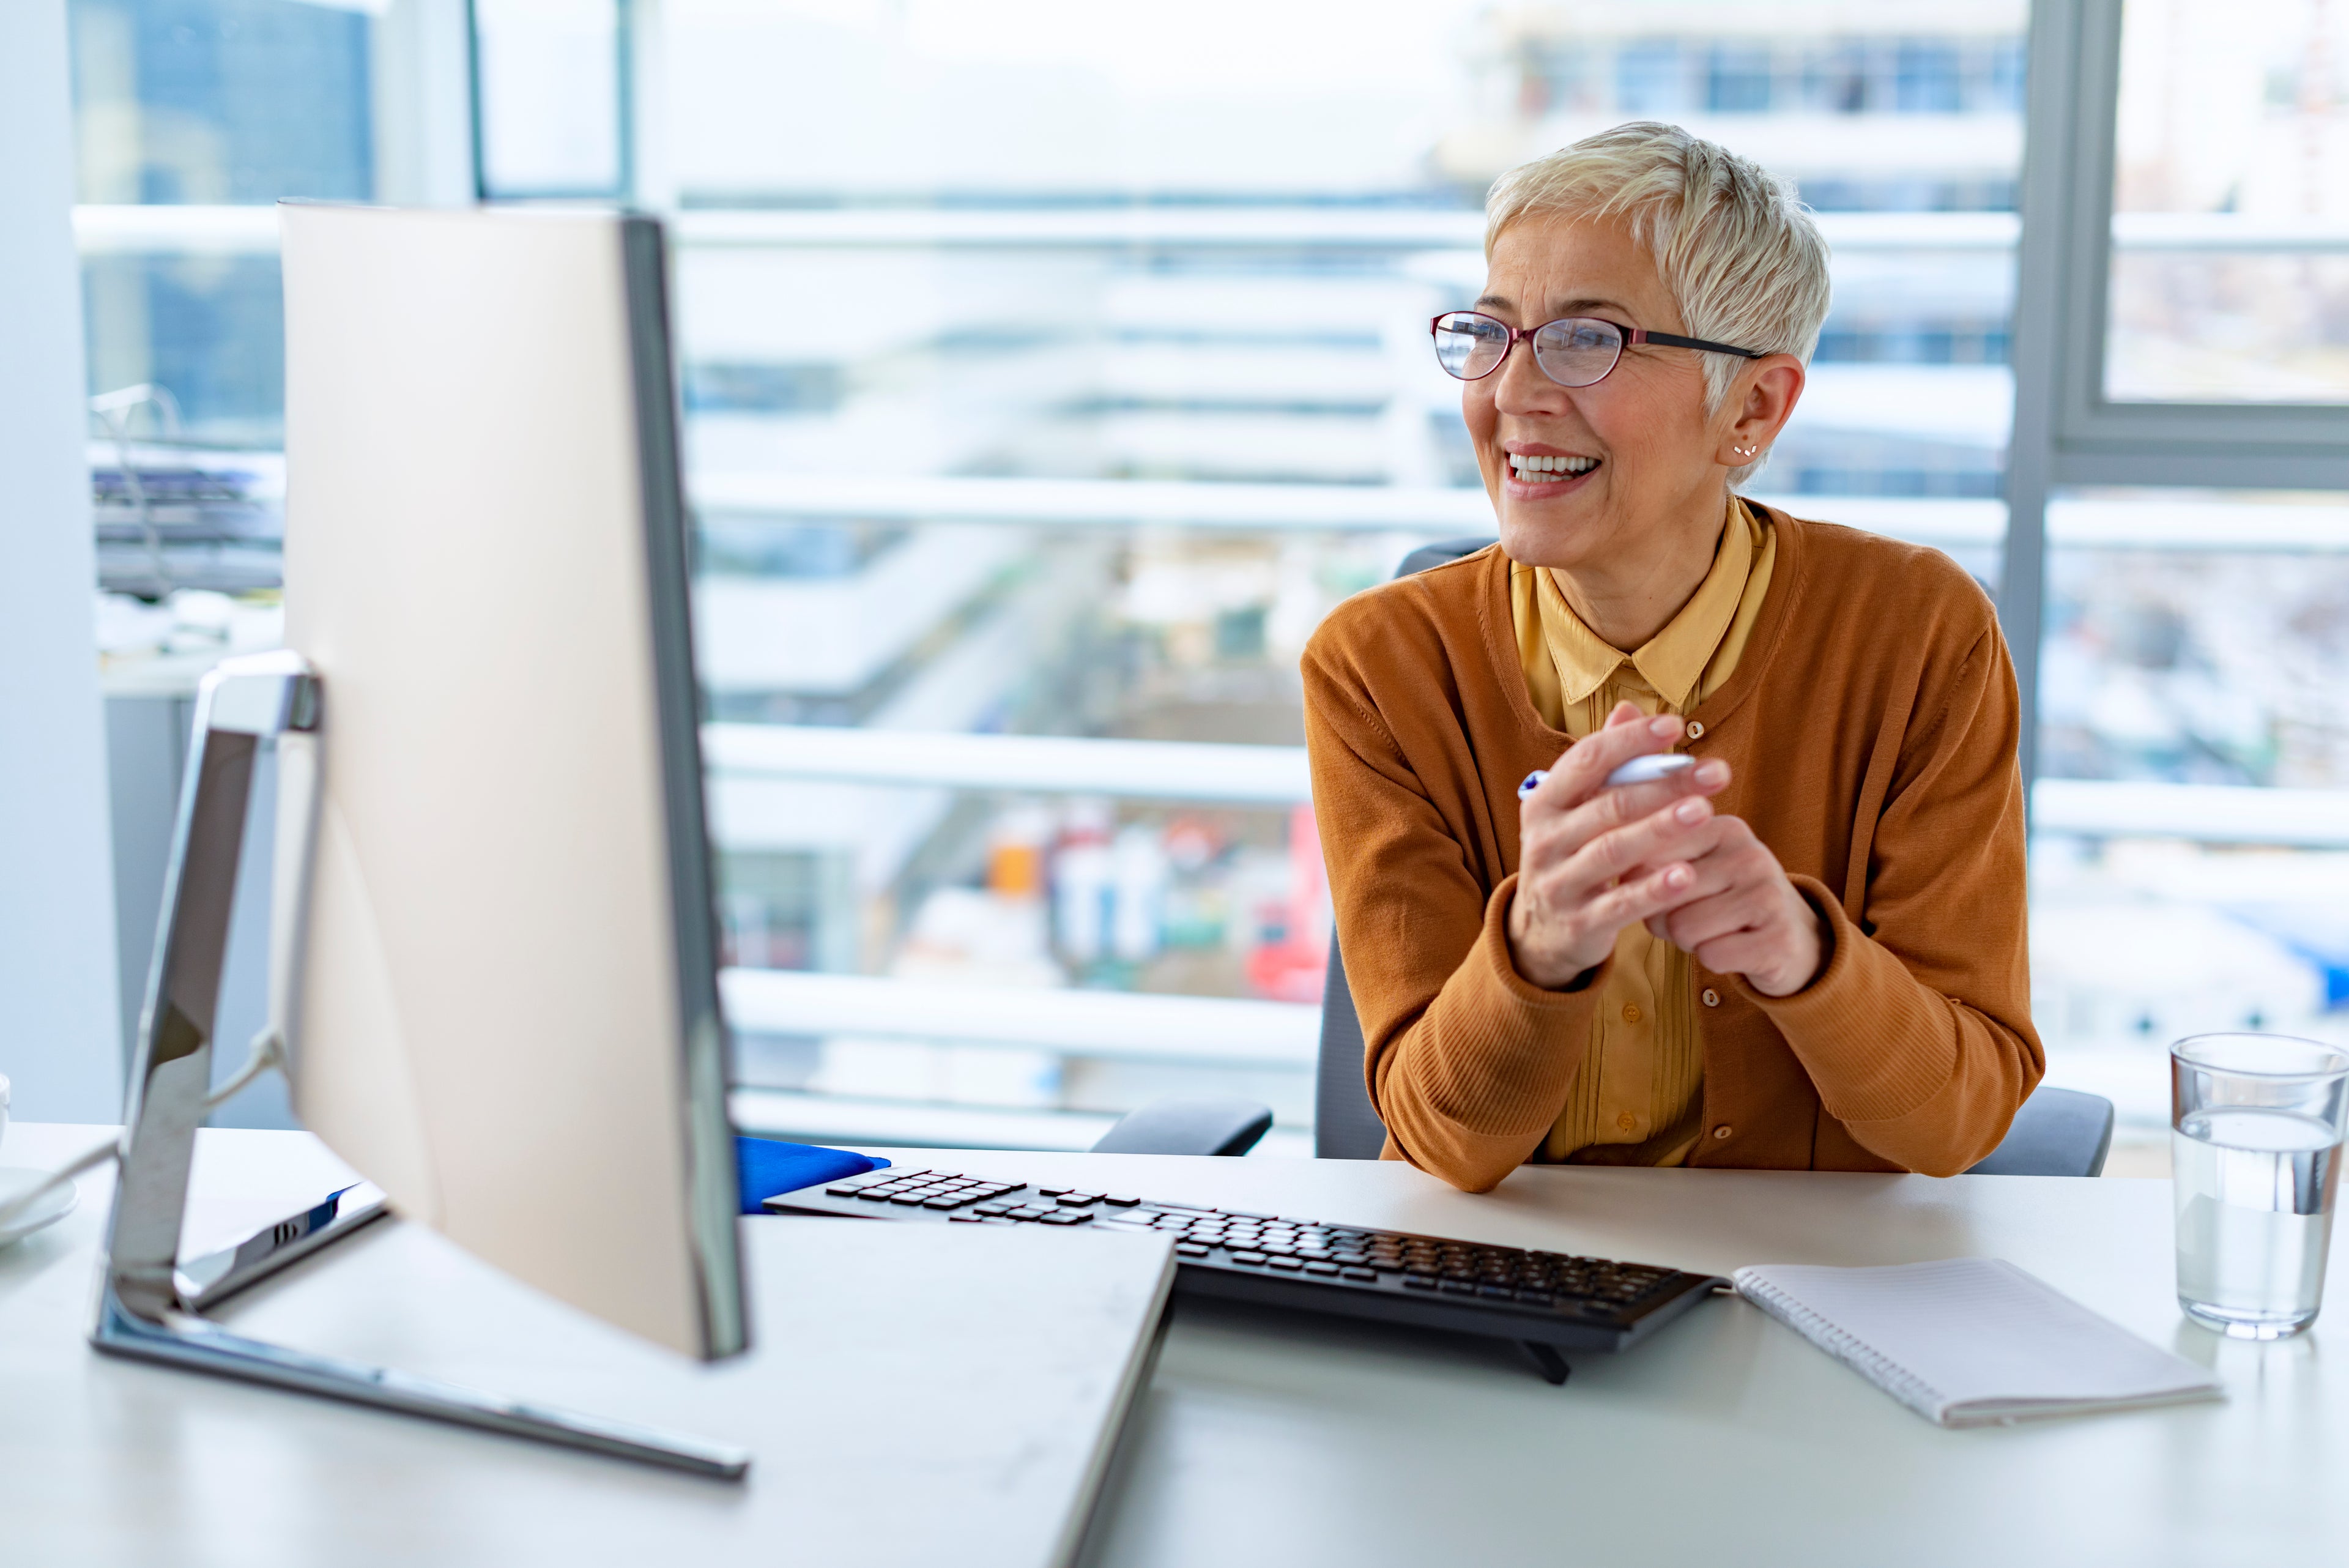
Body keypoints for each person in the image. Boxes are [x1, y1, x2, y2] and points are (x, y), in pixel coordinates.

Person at [1302, 122, 2040, 1192]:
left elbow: (1959, 1125)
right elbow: (1443, 1140)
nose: (1513, 394)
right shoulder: (1379, 667)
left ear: (1752, 407)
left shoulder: (1921, 635)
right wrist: (1539, 944)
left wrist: (1807, 960)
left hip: (1809, 1288)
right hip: (1516, 1285)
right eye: (1493, 333)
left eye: (1587, 341)